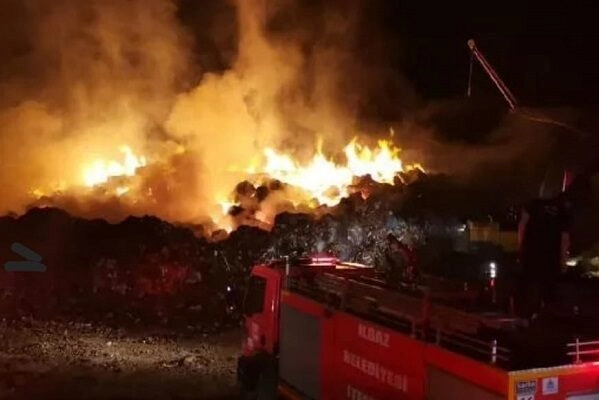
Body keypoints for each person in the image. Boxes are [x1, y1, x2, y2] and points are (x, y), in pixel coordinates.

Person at [518, 193, 570, 318]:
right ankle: (542, 314)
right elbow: (565, 237)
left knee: (533, 287)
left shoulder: (533, 205)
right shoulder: (562, 208)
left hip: (533, 255)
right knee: (545, 288)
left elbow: (522, 227)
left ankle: (533, 315)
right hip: (549, 257)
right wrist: (563, 259)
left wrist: (520, 248)